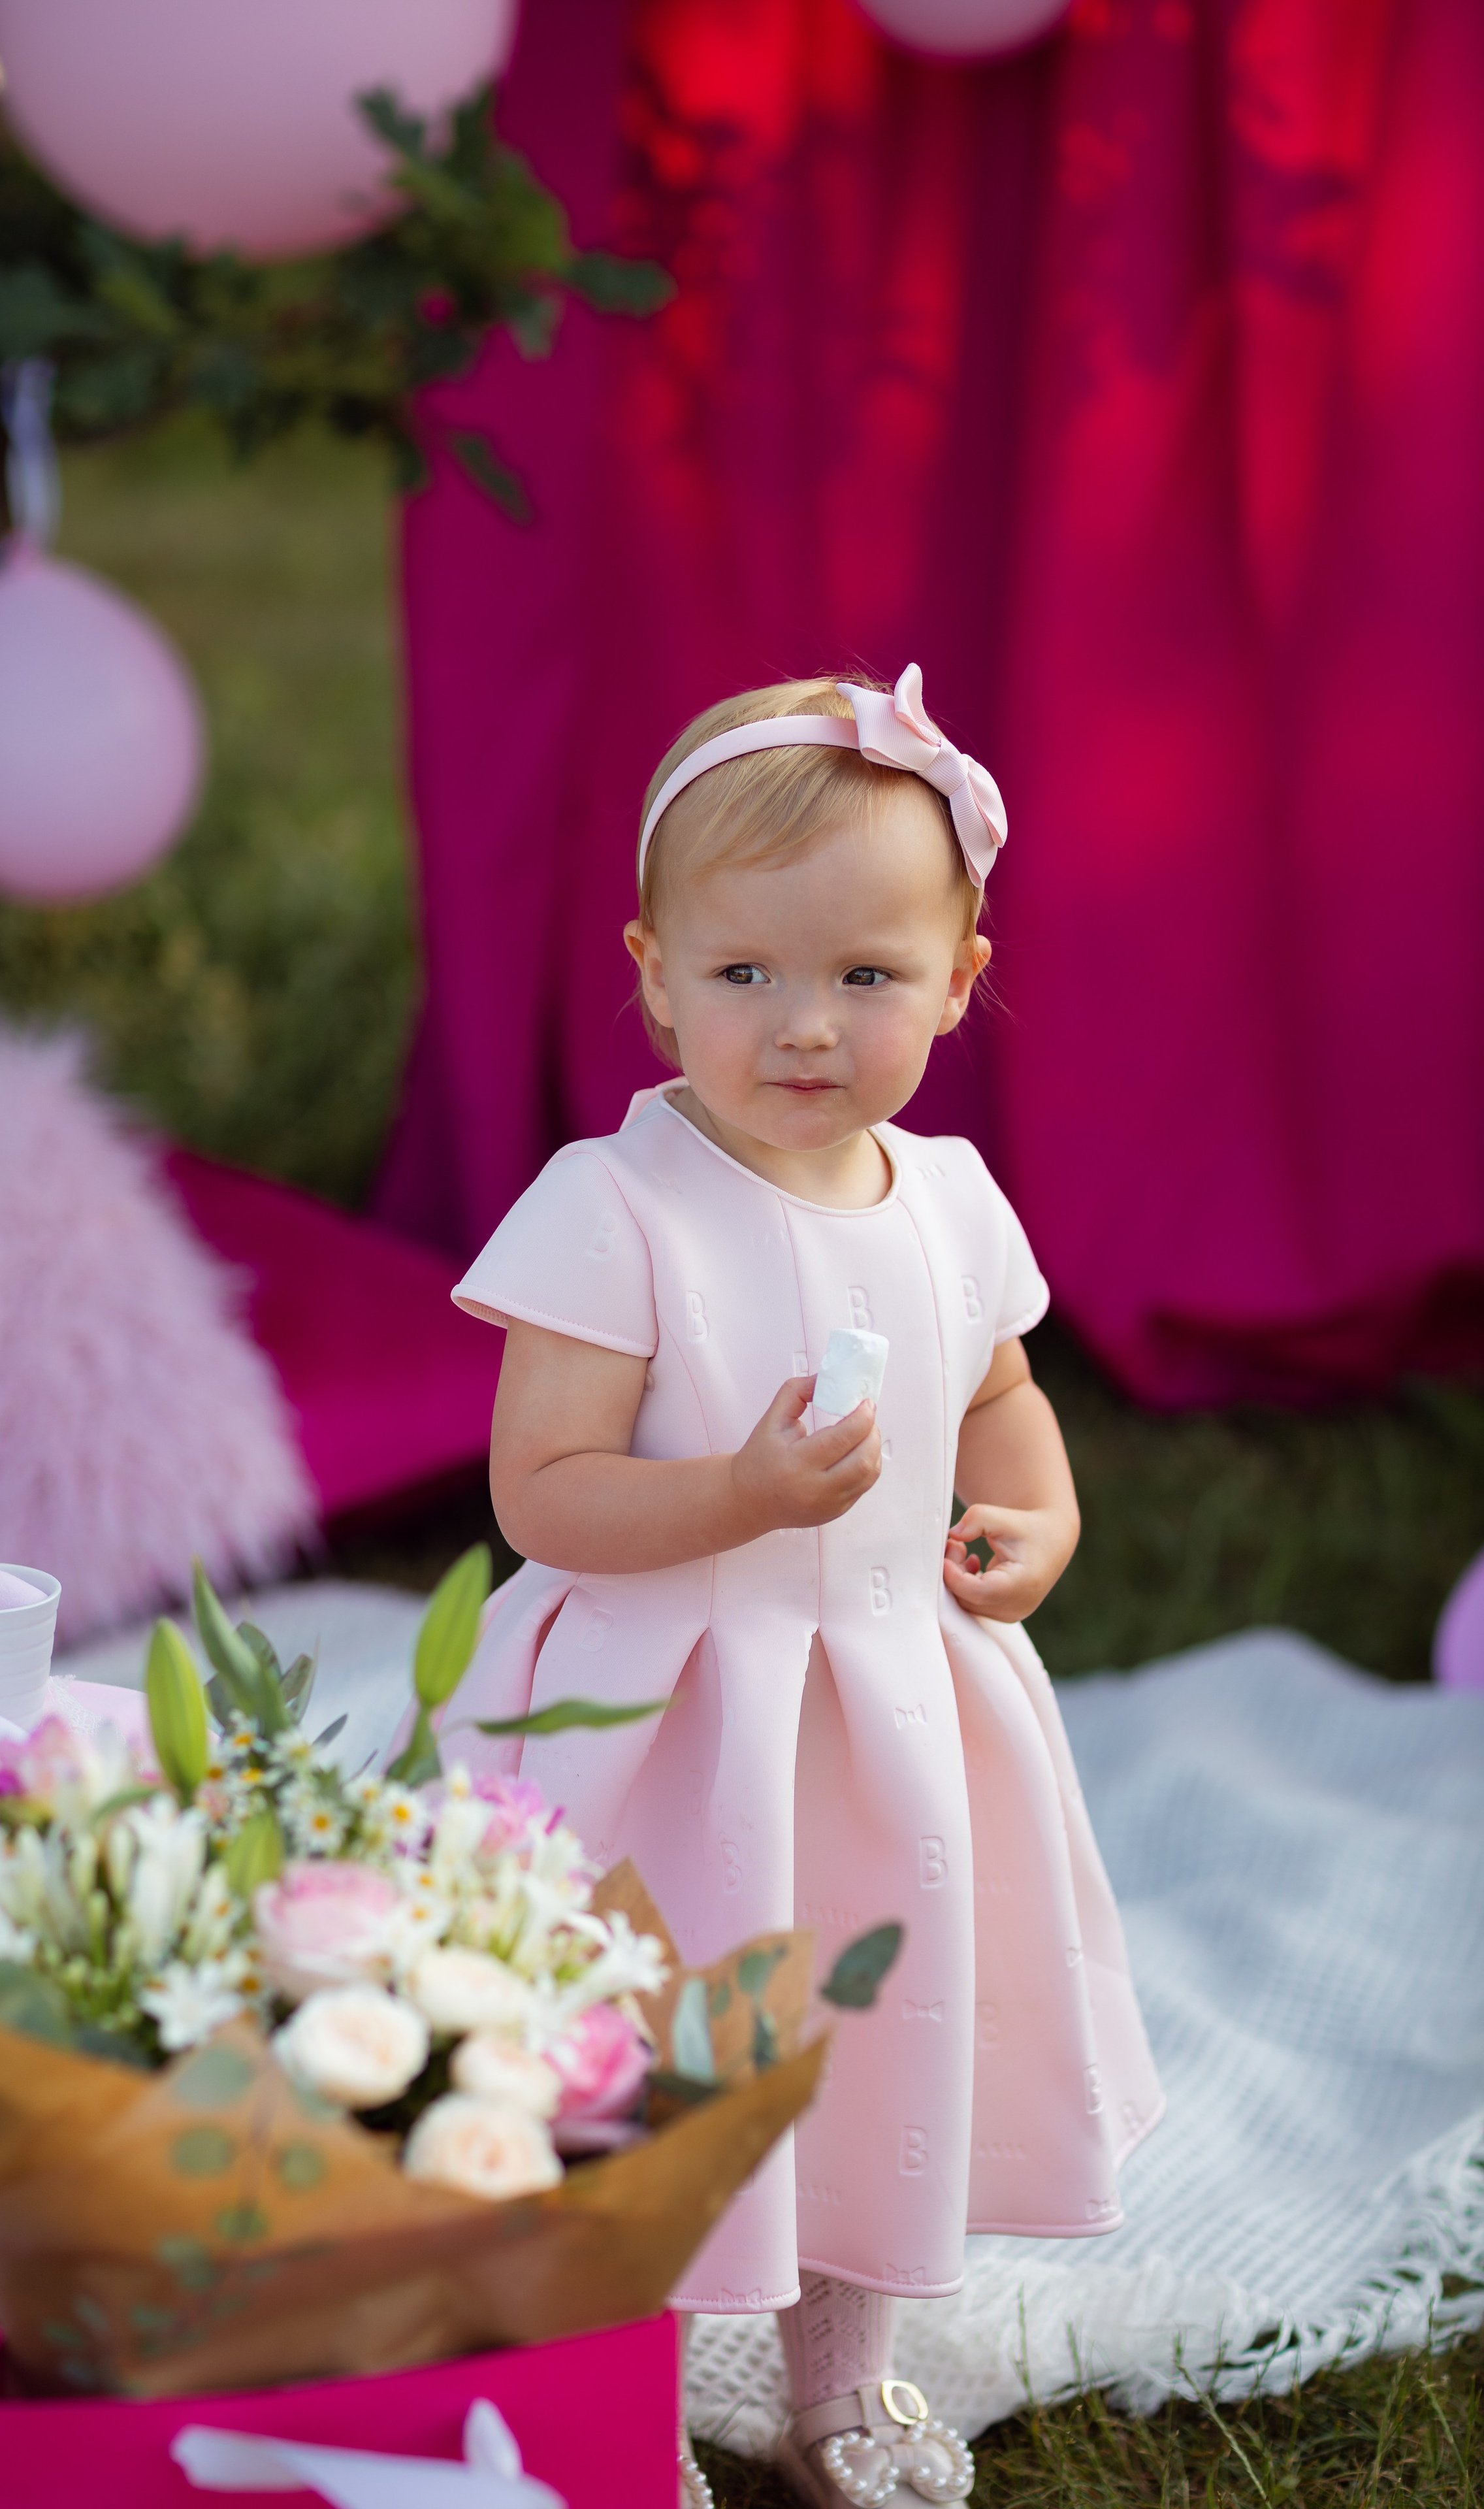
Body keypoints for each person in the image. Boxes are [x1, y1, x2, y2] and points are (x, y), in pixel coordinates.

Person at [443, 669, 1163, 2506]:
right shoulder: (616, 1207)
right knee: (660, 2064)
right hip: (675, 1725)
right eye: (746, 975)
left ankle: (836, 2381)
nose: (805, 1027)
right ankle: (630, 2394)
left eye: (866, 977)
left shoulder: (950, 1201)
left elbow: (999, 1395)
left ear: (958, 983)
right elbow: (543, 1495)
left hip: (890, 1723)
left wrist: (1040, 1519)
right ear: (657, 970)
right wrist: (741, 1490)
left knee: (871, 2048)